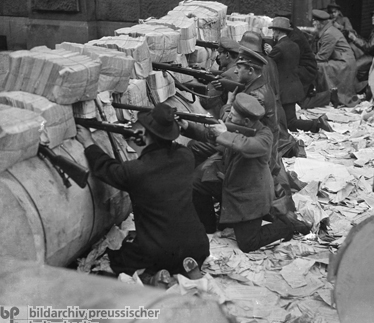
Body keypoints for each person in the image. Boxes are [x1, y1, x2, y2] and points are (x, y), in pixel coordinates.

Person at [76, 103, 210, 287]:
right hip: (197, 245)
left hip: (159, 251)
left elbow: (106, 168)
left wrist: (88, 142)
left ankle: (155, 278)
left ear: (145, 135)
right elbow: (168, 147)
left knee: (119, 259)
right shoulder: (186, 156)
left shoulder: (135, 171)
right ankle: (180, 271)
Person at [190, 93, 311, 252]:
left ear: (246, 121)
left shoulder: (264, 136)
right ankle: (208, 227)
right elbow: (210, 136)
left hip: (250, 197)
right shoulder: (237, 126)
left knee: (248, 243)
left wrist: (224, 133)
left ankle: (286, 225)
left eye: (233, 116)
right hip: (232, 183)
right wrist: (187, 126)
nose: (229, 119)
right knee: (197, 183)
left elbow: (245, 146)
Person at [265, 16, 333, 133]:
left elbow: (268, 64)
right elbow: (287, 62)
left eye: (273, 31)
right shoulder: (293, 45)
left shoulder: (278, 48)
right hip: (293, 87)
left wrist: (269, 53)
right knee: (287, 120)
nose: (272, 34)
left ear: (277, 31)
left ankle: (316, 123)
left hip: (284, 90)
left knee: (288, 120)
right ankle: (313, 125)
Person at [310, 9, 359, 107]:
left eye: (315, 21)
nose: (313, 23)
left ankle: (328, 95)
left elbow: (322, 57)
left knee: (318, 66)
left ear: (321, 23)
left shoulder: (329, 34)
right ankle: (327, 94)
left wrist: (307, 60)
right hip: (342, 61)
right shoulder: (328, 30)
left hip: (344, 64)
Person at [274, 11, 318, 98]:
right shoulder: (288, 32)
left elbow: (290, 59)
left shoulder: (295, 38)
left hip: (306, 69)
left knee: (299, 101)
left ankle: (328, 96)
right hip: (298, 65)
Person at [348, 7, 374, 83]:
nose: (372, 18)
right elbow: (368, 41)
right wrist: (356, 36)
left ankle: (361, 85)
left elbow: (368, 47)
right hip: (373, 53)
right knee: (352, 46)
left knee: (355, 66)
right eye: (372, 16)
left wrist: (354, 38)